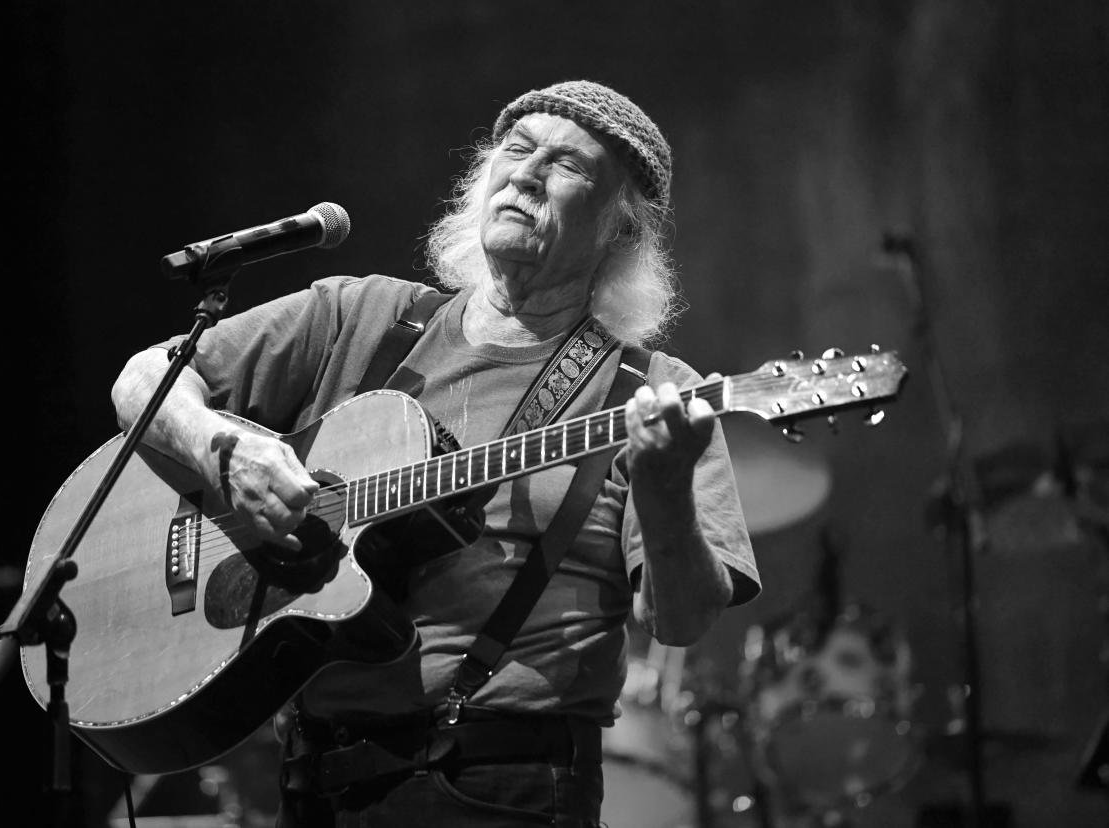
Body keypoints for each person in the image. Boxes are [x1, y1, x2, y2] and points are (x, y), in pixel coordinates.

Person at [111, 80, 759, 827]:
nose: (525, 173)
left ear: (620, 230)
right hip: (313, 779)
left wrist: (667, 488)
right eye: (515, 150)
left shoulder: (657, 397)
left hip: (499, 785)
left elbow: (679, 622)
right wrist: (223, 451)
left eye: (566, 165)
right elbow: (144, 381)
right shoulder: (362, 315)